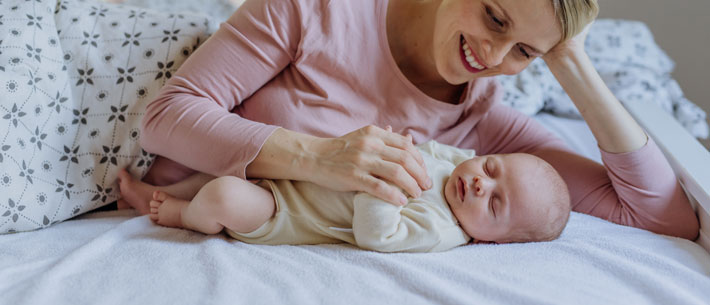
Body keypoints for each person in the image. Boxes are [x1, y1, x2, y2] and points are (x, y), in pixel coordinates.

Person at [122, 0, 699, 241]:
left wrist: (568, 57)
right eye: (494, 18)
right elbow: (166, 119)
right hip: (171, 205)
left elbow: (659, 213)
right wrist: (318, 158)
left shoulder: (483, 131)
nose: (493, 55)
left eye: (524, 50)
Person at [118, 139, 571, 252]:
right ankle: (155, 191)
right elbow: (423, 147)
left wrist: (386, 186)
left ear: (495, 240)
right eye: (491, 169)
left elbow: (377, 235)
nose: (479, 183)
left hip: (285, 211)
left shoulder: (442, 229)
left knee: (223, 196)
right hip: (295, 174)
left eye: (494, 203)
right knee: (228, 163)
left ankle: (178, 214)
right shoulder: (457, 166)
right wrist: (402, 145)